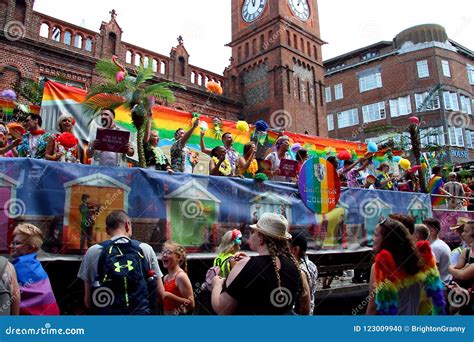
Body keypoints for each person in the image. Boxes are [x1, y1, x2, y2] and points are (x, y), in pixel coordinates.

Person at [211, 213, 309, 315]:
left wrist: (217, 284)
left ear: (261, 238)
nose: (250, 235)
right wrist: (249, 262)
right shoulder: (293, 266)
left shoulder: (246, 265)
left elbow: (222, 309)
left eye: (253, 232)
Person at [77, 210, 165, 315]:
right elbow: (160, 294)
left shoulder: (93, 251)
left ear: (107, 230)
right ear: (128, 225)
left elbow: (88, 302)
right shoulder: (145, 249)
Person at [366, 219, 445, 315]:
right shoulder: (418, 264)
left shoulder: (380, 268)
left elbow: (372, 308)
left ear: (387, 239)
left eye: (375, 235)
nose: (373, 239)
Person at [9, 223, 59, 315]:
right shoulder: (34, 263)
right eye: (12, 242)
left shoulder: (19, 265)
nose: (11, 246)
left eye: (17, 243)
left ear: (30, 248)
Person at [161, 241, 194, 315]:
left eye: (169, 252)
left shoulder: (181, 276)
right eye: (163, 252)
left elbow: (191, 305)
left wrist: (169, 295)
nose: (164, 255)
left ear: (179, 257)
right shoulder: (165, 277)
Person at [290, 232, 318, 315]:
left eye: (285, 246)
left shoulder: (299, 270)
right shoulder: (312, 265)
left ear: (295, 250)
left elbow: (304, 305)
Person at [423, 218, 452, 284]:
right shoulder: (439, 244)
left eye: (424, 230)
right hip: (444, 282)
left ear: (432, 231)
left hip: (440, 285)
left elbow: (432, 271)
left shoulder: (435, 247)